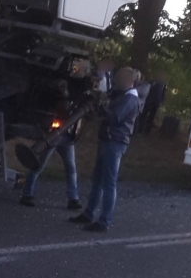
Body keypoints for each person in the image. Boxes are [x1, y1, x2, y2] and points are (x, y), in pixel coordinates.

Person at [69, 67, 140, 232]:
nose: (117, 81)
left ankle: (104, 221)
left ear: (129, 81)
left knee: (108, 183)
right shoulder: (121, 95)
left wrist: (102, 106)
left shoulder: (130, 99)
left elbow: (115, 117)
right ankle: (89, 214)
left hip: (115, 141)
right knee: (98, 181)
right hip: (108, 140)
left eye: (120, 78)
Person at [19, 112, 82, 210]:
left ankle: (73, 199)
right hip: (53, 135)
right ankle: (27, 193)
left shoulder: (75, 104)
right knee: (39, 165)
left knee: (71, 168)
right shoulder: (60, 102)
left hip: (67, 137)